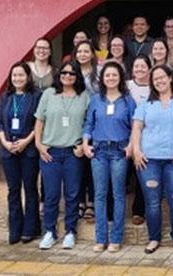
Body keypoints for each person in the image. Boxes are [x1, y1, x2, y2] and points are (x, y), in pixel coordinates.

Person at [131, 65, 173, 255]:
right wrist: (137, 151)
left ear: (170, 78)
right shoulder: (145, 103)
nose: (159, 81)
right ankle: (154, 238)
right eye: (155, 79)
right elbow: (137, 128)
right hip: (149, 159)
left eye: (162, 77)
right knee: (152, 202)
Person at [34, 60, 90, 250]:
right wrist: (39, 145)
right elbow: (39, 121)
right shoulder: (49, 94)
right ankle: (49, 231)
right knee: (50, 195)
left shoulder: (84, 96)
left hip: (73, 153)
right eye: (64, 73)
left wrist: (84, 145)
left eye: (72, 73)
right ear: (59, 75)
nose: (68, 76)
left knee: (72, 194)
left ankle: (70, 232)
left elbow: (89, 124)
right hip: (51, 152)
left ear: (77, 76)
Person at [82, 61, 136, 252]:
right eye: (107, 75)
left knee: (119, 194)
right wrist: (85, 143)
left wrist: (131, 145)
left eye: (114, 75)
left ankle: (116, 238)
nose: (111, 78)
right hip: (99, 151)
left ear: (120, 78)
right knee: (99, 194)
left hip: (120, 151)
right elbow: (88, 124)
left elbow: (135, 126)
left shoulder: (128, 100)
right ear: (102, 79)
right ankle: (100, 238)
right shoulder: (96, 99)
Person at [0, 62, 42, 244]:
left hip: (28, 149)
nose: (17, 79)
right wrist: (5, 142)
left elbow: (39, 121)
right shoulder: (6, 96)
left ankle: (31, 229)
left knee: (30, 189)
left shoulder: (36, 95)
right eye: (14, 75)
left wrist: (26, 141)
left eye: (21, 75)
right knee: (13, 191)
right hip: (8, 150)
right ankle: (15, 229)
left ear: (28, 77)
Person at [74, 40, 99, 222]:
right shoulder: (71, 73)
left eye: (86, 51)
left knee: (91, 164)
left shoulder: (97, 74)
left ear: (92, 54)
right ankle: (80, 201)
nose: (82, 54)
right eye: (79, 51)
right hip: (75, 124)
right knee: (78, 166)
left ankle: (91, 202)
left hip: (95, 123)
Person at [125, 55, 151, 225]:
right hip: (124, 134)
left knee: (142, 173)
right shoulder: (126, 86)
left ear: (149, 69)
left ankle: (138, 210)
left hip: (146, 136)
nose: (140, 69)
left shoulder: (153, 88)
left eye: (143, 66)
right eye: (136, 66)